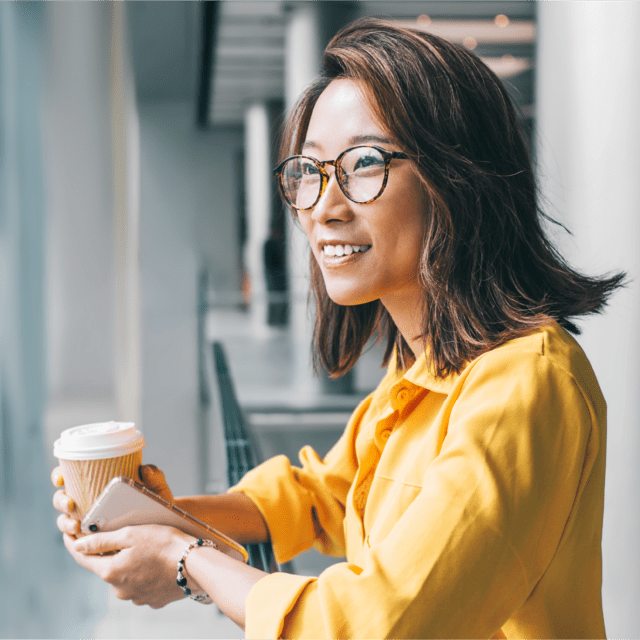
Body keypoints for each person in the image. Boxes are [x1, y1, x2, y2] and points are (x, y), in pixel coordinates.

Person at [52, 18, 625, 639]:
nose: (324, 205)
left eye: (365, 163)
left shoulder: (525, 383)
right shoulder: (423, 366)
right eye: (311, 171)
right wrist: (167, 516)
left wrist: (187, 563)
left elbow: (371, 625)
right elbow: (322, 494)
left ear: (458, 180)